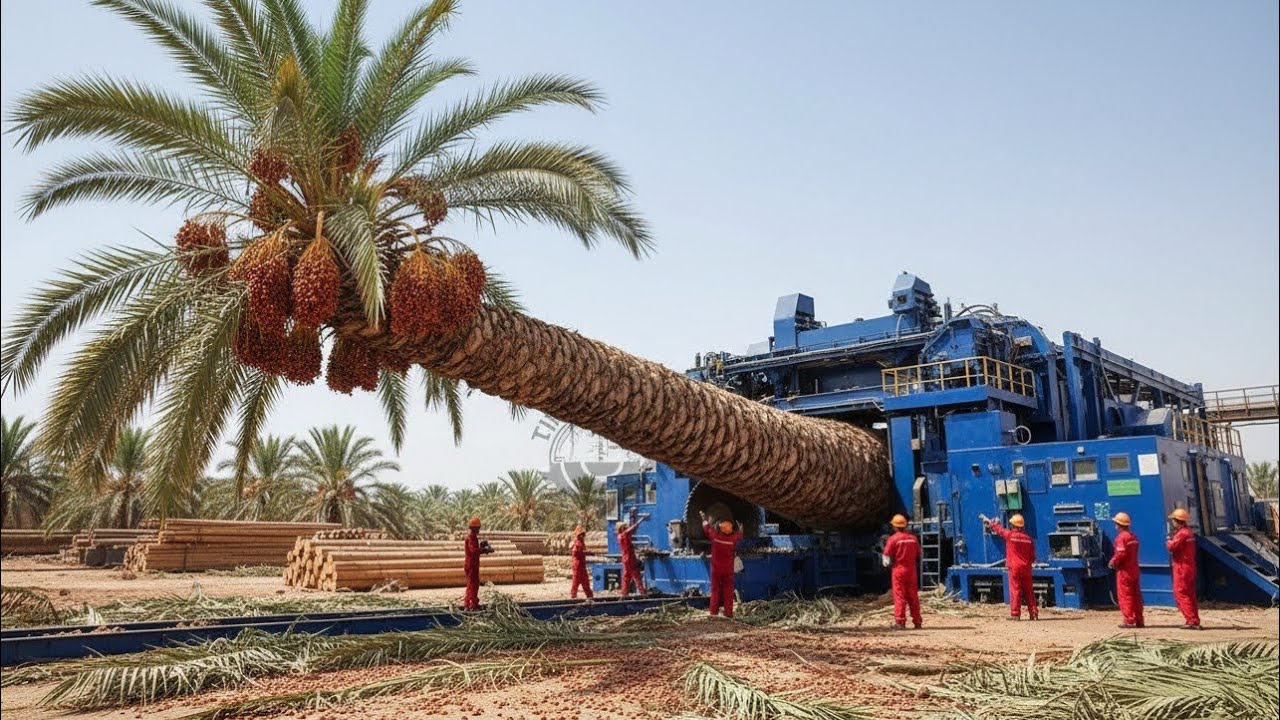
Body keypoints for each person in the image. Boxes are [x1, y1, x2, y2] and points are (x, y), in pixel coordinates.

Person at [985, 514, 1039, 621]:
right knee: (1029, 591)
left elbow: (1000, 530)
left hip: (1014, 568)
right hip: (1026, 568)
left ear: (1013, 525)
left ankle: (1015, 614)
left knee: (1015, 590)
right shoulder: (1029, 539)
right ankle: (1034, 613)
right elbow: (1033, 557)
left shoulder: (1010, 535)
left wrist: (992, 524)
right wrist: (1027, 564)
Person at [700, 511, 744, 618]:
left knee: (715, 590)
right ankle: (728, 613)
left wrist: (704, 518)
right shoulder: (733, 539)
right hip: (728, 570)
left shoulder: (715, 537)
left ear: (720, 528)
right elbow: (740, 535)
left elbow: (706, 528)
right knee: (728, 591)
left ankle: (713, 612)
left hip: (716, 569)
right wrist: (740, 527)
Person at [883, 514, 922, 629]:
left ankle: (900, 622)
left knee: (899, 595)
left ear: (894, 526)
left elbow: (886, 558)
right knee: (913, 596)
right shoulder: (913, 539)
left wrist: (887, 565)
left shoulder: (893, 539)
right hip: (911, 570)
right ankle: (917, 622)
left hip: (899, 570)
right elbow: (919, 555)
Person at [1165, 508, 1201, 629]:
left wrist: (1168, 540)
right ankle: (1194, 619)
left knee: (1181, 593)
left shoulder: (1182, 534)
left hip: (1182, 568)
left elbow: (1172, 547)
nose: (1172, 522)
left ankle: (1191, 621)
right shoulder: (1189, 532)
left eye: (1173, 520)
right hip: (1189, 566)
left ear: (1177, 520)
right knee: (1190, 594)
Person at [1108, 512, 1144, 628]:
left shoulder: (1121, 538)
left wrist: (1113, 561)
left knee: (1125, 596)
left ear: (1119, 524)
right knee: (1136, 596)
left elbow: (1121, 553)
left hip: (1125, 572)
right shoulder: (1133, 537)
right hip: (1134, 570)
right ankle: (1139, 620)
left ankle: (1129, 620)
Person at [463, 516, 493, 611]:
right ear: (474, 528)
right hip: (471, 565)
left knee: (474, 585)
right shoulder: (470, 538)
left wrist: (482, 545)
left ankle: (473, 603)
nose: (479, 530)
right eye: (478, 528)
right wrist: (484, 550)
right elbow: (473, 551)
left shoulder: (473, 538)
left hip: (473, 565)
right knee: (472, 585)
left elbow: (475, 549)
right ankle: (470, 605)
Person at [615, 514, 648, 597]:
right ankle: (643, 593)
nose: (626, 527)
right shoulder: (624, 535)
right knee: (636, 575)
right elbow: (633, 528)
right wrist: (641, 519)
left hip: (625, 558)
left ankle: (624, 594)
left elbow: (629, 545)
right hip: (630, 558)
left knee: (626, 576)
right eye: (624, 527)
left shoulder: (619, 536)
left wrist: (635, 548)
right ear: (621, 528)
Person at [570, 525, 594, 600]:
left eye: (583, 535)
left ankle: (590, 597)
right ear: (578, 535)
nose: (582, 536)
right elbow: (580, 552)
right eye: (581, 535)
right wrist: (588, 552)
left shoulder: (581, 543)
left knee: (585, 582)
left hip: (581, 565)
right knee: (576, 582)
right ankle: (573, 597)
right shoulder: (577, 543)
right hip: (577, 566)